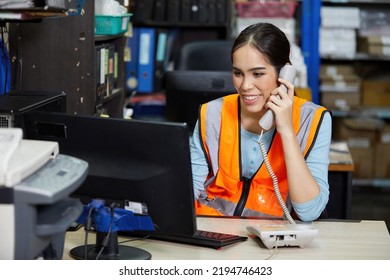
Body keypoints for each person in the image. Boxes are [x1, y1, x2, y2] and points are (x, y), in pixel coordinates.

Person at [190, 22, 332, 222]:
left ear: (284, 74)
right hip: (214, 232)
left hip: (271, 239)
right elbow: (187, 194)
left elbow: (308, 212)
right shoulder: (212, 113)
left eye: (257, 74)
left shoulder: (314, 119)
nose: (245, 85)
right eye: (238, 73)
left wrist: (287, 131)